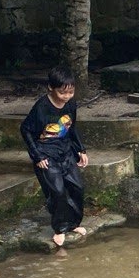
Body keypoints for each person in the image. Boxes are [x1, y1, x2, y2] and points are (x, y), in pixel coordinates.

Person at [20, 67, 89, 248]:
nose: (67, 96)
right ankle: (60, 228)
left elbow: (71, 128)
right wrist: (37, 156)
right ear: (51, 88)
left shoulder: (71, 104)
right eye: (62, 92)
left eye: (71, 92)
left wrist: (80, 150)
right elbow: (25, 130)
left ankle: (73, 223)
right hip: (46, 154)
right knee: (57, 191)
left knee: (77, 187)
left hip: (65, 151)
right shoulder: (41, 108)